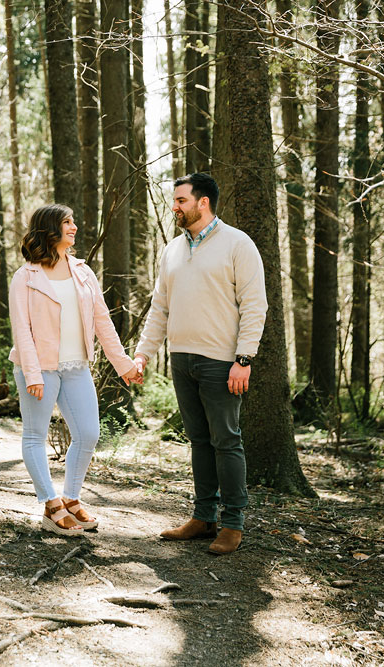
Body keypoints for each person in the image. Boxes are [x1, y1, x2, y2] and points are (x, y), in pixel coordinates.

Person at [133, 173, 267, 554]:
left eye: (180, 200)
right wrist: (144, 352)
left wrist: (244, 358)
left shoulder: (238, 244)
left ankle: (233, 524)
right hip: (182, 359)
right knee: (198, 440)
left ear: (202, 202)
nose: (174, 206)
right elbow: (160, 306)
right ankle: (203, 516)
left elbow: (255, 304)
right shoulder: (171, 250)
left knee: (227, 441)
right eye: (174, 201)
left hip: (222, 362)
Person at [9, 203, 142, 536]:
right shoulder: (25, 276)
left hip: (76, 366)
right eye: (67, 222)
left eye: (73, 221)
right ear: (50, 229)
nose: (74, 227)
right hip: (38, 369)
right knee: (35, 435)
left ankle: (71, 498)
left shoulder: (83, 271)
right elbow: (21, 329)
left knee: (88, 434)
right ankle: (50, 505)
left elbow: (102, 322)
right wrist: (33, 374)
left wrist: (123, 365)